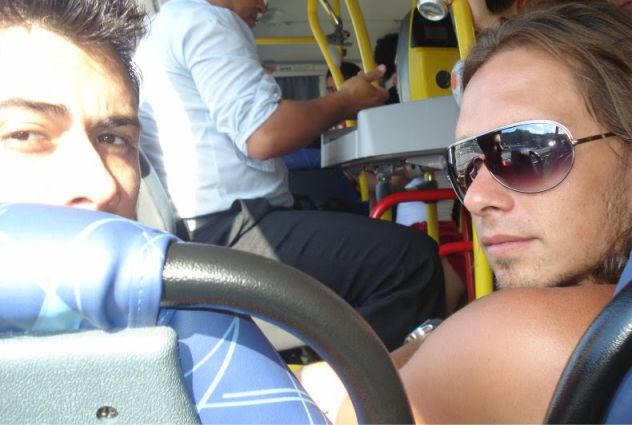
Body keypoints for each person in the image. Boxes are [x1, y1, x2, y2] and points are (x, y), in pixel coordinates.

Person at [298, 1, 632, 423]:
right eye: (466, 164)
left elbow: (350, 412)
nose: (475, 197)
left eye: (525, 150)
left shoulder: (517, 338)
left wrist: (440, 343)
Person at [0, 0, 329, 423]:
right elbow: (264, 136)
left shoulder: (192, 328)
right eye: (25, 134)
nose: (102, 186)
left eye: (112, 138)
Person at [135, 0, 446, 350]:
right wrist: (346, 101)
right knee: (412, 261)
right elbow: (266, 134)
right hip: (231, 231)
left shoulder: (160, 28)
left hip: (204, 232)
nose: (263, 5)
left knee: (355, 219)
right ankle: (342, 378)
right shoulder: (206, 22)